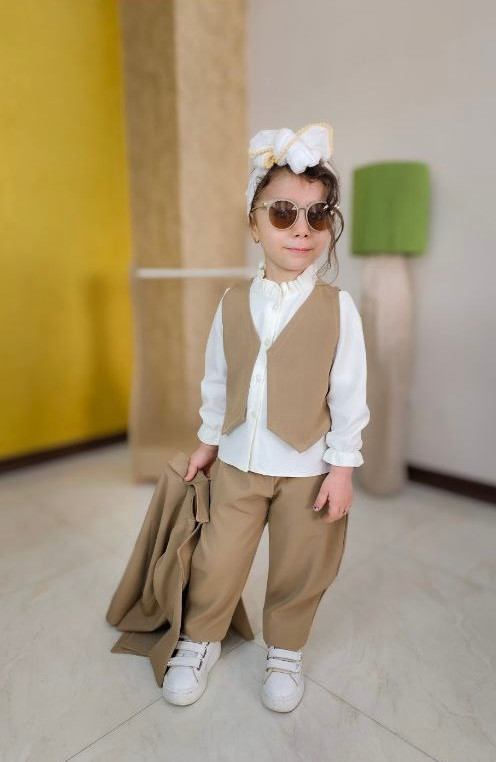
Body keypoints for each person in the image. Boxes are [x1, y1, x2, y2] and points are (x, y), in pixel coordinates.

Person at [162, 123, 370, 712]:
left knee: (302, 564)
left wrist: (342, 468)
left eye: (317, 216)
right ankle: (200, 639)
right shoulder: (232, 302)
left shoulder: (338, 308)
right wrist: (208, 441)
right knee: (218, 556)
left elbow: (349, 394)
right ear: (254, 224)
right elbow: (217, 379)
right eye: (283, 214)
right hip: (237, 459)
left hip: (308, 466)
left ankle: (286, 650)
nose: (301, 229)